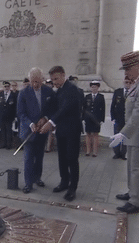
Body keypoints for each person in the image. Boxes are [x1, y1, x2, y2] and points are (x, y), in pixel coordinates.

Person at [111, 51, 139, 214]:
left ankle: (135, 202)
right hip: (134, 135)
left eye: (127, 69)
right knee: (131, 167)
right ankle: (132, 193)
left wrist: (123, 133)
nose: (126, 73)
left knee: (137, 169)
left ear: (137, 66)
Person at [39, 66, 82, 202]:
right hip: (61, 130)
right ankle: (64, 182)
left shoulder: (71, 89)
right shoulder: (58, 91)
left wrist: (50, 122)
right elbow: (53, 107)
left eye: (56, 79)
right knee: (62, 158)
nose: (54, 82)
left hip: (72, 130)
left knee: (72, 159)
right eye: (52, 80)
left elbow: (64, 109)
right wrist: (45, 117)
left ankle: (72, 188)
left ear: (63, 75)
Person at [17, 67, 56, 193]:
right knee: (28, 158)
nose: (35, 85)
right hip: (29, 131)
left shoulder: (48, 91)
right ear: (29, 80)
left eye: (38, 82)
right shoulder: (23, 93)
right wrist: (30, 124)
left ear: (42, 80)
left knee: (39, 157)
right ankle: (28, 183)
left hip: (42, 131)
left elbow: (52, 109)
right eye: (33, 81)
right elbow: (21, 113)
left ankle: (37, 178)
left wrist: (45, 118)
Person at [83, 81, 105, 157]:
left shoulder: (101, 97)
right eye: (92, 87)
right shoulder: (87, 97)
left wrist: (102, 119)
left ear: (98, 88)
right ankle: (88, 151)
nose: (94, 88)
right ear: (90, 88)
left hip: (96, 119)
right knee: (88, 134)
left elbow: (103, 109)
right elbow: (84, 108)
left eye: (95, 87)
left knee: (95, 135)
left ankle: (95, 151)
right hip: (88, 119)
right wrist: (83, 118)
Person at [110, 77, 131, 160]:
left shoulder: (133, 92)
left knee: (125, 138)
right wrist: (113, 117)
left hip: (127, 120)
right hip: (118, 119)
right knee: (116, 137)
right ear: (123, 82)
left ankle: (123, 154)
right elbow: (113, 105)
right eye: (126, 82)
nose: (128, 84)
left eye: (129, 82)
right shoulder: (118, 91)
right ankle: (116, 153)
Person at [0, 81, 17, 149]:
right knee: (2, 130)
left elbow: (15, 106)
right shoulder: (0, 94)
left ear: (9, 87)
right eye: (5, 86)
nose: (6, 88)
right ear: (3, 87)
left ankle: (9, 144)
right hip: (2, 115)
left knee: (9, 130)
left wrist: (15, 116)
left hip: (9, 116)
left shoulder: (13, 95)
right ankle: (3, 143)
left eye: (8, 86)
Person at [44, 79, 55, 152]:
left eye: (50, 84)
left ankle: (48, 147)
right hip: (44, 115)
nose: (48, 85)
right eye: (47, 83)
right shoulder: (43, 93)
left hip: (51, 115)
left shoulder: (53, 93)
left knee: (50, 132)